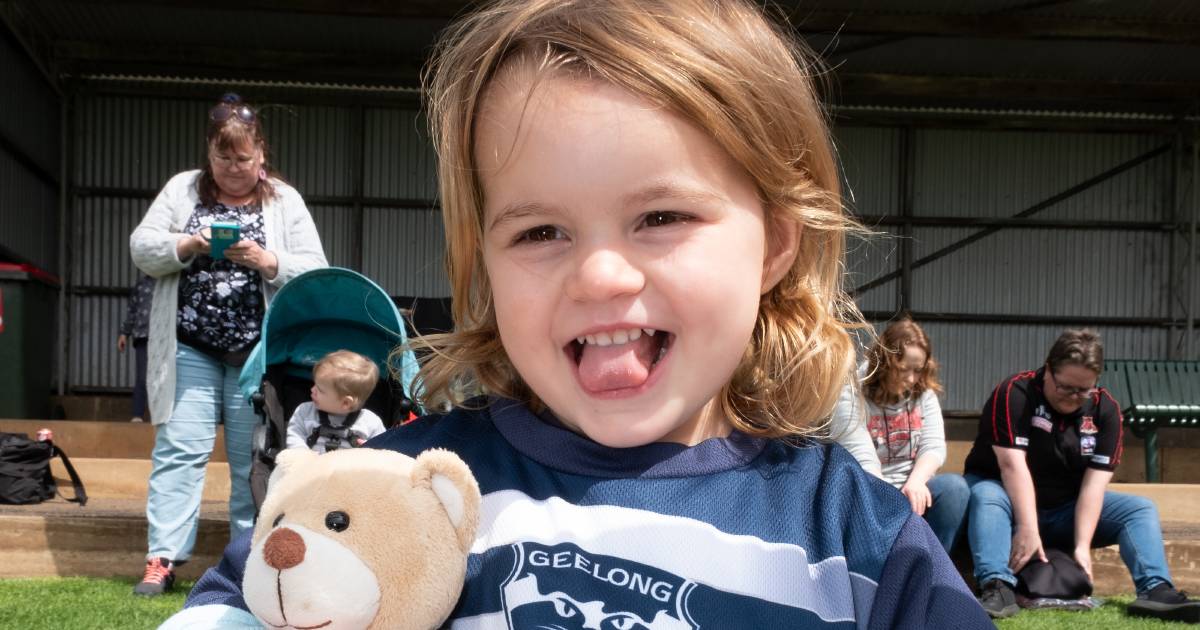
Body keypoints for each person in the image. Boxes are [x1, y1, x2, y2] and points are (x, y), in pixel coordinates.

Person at [160, 1, 991, 627]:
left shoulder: (860, 545)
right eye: (541, 230)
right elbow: (239, 601)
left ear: (774, 242)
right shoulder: (405, 489)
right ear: (482, 259)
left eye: (661, 217)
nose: (598, 274)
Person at [128, 92, 328, 596]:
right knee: (180, 452)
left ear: (261, 154)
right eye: (223, 157)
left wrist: (268, 261)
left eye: (243, 158)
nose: (233, 167)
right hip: (190, 347)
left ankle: (249, 561)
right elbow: (142, 248)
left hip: (254, 355)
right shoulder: (182, 191)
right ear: (209, 155)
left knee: (252, 459)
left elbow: (317, 268)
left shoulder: (284, 200)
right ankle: (163, 558)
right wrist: (188, 244)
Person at [963, 329, 1200, 622]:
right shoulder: (1015, 393)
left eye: (1083, 390)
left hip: (1065, 508)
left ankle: (1155, 590)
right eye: (1065, 388)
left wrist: (1081, 546)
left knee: (1140, 509)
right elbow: (1012, 466)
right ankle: (996, 586)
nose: (1074, 398)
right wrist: (1028, 526)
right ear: (1048, 369)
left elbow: (1094, 484)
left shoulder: (1106, 409)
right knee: (986, 493)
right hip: (1006, 504)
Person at [831, 319, 969, 555]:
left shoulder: (923, 391)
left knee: (955, 488)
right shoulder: (852, 389)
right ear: (885, 361)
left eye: (919, 370)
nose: (912, 379)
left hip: (913, 489)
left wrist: (916, 481)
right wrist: (890, 498)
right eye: (904, 369)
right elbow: (860, 453)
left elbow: (934, 446)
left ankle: (934, 564)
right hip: (870, 487)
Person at [285, 350, 385, 454]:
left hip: (352, 469)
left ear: (345, 403)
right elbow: (295, 437)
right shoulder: (304, 412)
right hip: (312, 467)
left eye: (320, 390)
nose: (312, 389)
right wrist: (301, 457)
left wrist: (370, 451)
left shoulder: (370, 423)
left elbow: (383, 450)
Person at [117, 273, 155, 423]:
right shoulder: (142, 284)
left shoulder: (171, 281)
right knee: (142, 377)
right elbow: (132, 310)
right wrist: (124, 333)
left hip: (166, 338)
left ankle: (160, 416)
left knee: (164, 378)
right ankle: (137, 415)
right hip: (143, 336)